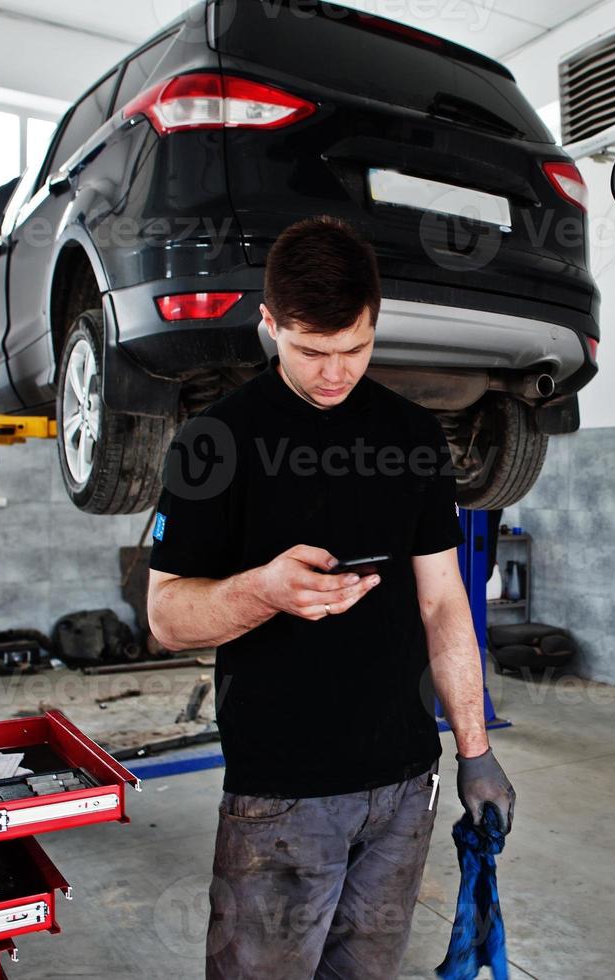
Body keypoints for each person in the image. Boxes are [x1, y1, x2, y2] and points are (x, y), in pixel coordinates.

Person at [146, 216, 515, 980]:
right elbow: (164, 618)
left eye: (355, 348)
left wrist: (474, 751)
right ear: (269, 324)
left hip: (403, 792)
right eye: (311, 350)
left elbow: (443, 602)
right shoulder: (214, 443)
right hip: (281, 800)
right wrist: (262, 590)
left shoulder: (413, 436)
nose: (334, 373)